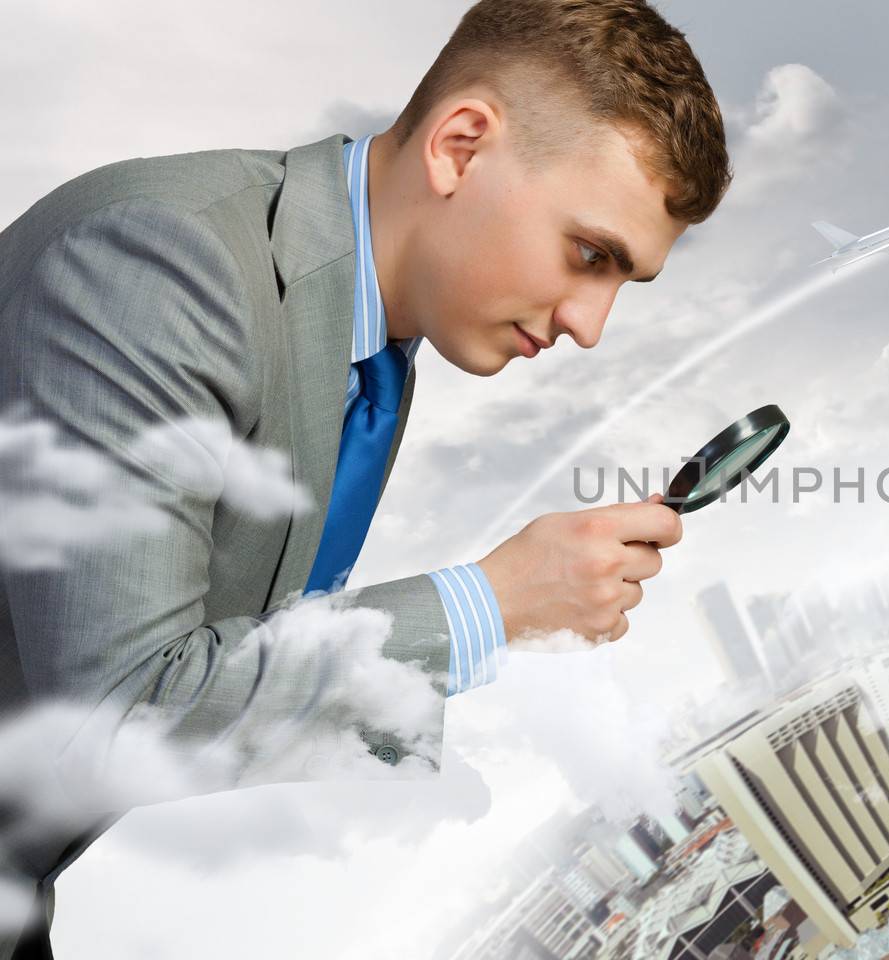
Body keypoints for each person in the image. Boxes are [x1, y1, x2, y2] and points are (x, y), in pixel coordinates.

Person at [0, 0, 730, 955]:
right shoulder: (160, 261)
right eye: (589, 255)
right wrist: (489, 606)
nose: (590, 325)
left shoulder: (371, 358)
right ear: (461, 148)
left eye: (621, 284)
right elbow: (116, 714)